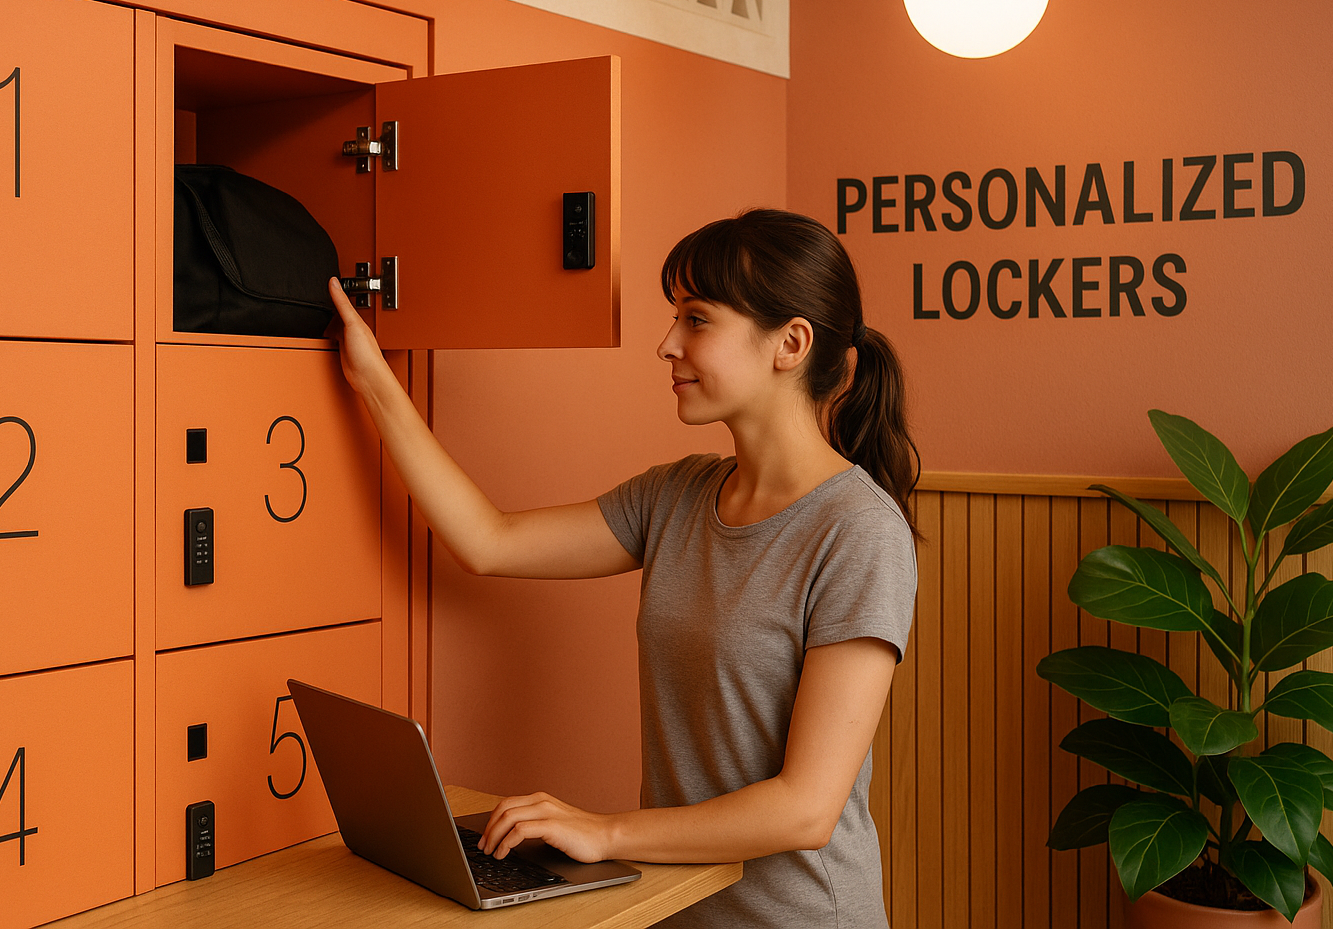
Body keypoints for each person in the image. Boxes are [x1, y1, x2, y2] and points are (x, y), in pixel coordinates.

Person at [326, 207, 919, 929]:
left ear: (790, 343)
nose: (667, 344)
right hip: (676, 910)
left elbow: (805, 809)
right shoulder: (676, 495)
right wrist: (375, 384)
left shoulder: (857, 532)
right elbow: (489, 541)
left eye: (697, 319)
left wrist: (605, 831)